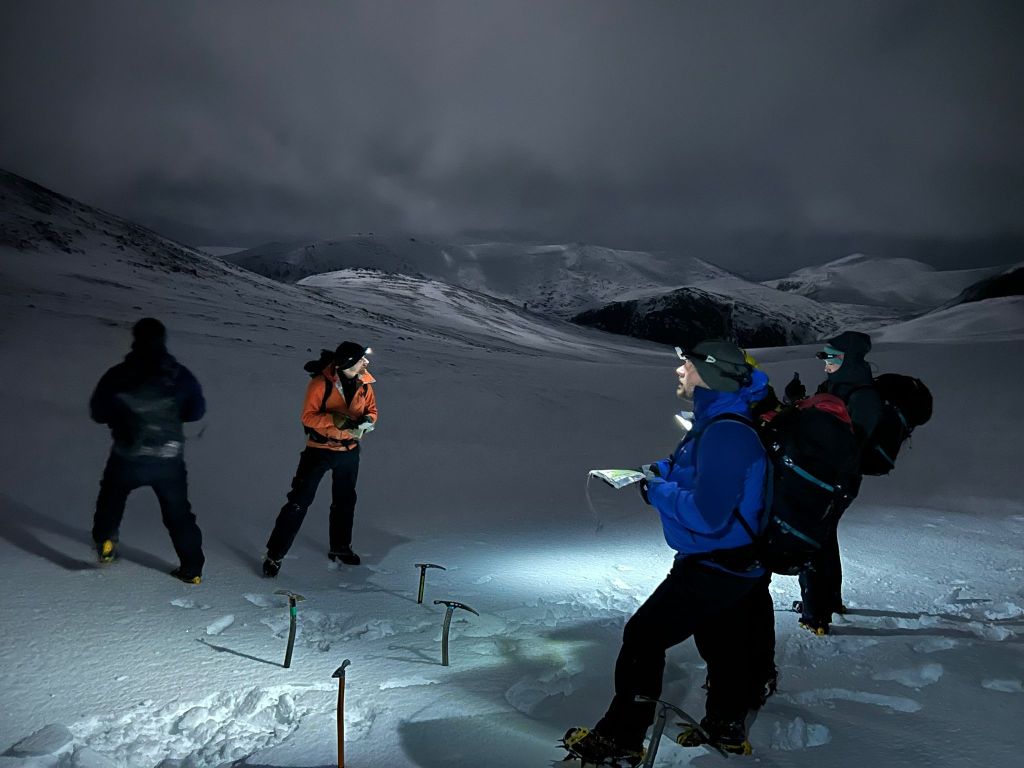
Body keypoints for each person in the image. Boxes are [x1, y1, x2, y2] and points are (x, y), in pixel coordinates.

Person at [564, 340, 775, 764]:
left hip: (715, 563)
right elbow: (703, 472)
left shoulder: (726, 433)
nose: (680, 371)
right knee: (724, 646)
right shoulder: (720, 422)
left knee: (643, 637)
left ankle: (622, 739)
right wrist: (661, 469)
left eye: (688, 365)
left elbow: (707, 513)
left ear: (710, 374)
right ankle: (726, 727)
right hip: (735, 563)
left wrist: (654, 490)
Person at [90, 318, 207, 584]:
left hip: (127, 456)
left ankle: (106, 544)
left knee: (111, 499)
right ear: (163, 340)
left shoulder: (118, 374)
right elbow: (197, 411)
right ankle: (192, 569)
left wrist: (120, 416)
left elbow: (97, 412)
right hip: (168, 459)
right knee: (178, 513)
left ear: (135, 339)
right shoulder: (179, 375)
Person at [263, 341, 378, 577]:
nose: (365, 362)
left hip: (349, 452)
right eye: (360, 359)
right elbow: (308, 417)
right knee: (298, 502)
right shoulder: (320, 384)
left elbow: (372, 411)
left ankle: (341, 548)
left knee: (345, 502)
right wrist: (333, 420)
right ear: (348, 364)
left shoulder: (365, 383)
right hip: (319, 451)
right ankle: (275, 555)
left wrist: (367, 423)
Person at [795, 330, 882, 635]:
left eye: (832, 357)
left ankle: (815, 613)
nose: (826, 363)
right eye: (824, 357)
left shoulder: (864, 396)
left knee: (813, 539)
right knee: (824, 537)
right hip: (821, 475)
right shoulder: (833, 386)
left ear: (850, 360)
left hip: (838, 480)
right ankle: (828, 601)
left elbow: (849, 443)